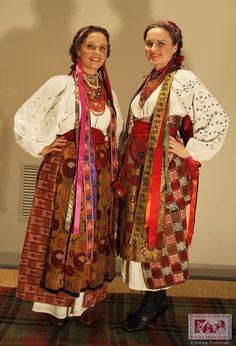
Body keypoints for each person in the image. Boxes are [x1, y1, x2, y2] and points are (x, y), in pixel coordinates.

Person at [116, 20, 229, 332]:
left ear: (176, 46)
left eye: (161, 43)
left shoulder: (184, 79)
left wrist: (188, 149)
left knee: (159, 232)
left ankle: (153, 302)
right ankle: (154, 298)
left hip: (162, 174)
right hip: (138, 170)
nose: (153, 49)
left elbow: (218, 119)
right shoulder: (150, 79)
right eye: (149, 43)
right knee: (139, 231)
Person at [14, 25, 123, 326]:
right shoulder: (61, 84)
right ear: (78, 49)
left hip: (98, 175)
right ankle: (55, 308)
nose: (96, 53)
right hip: (65, 172)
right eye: (90, 46)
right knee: (61, 235)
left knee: (91, 239)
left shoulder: (108, 92)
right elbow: (26, 117)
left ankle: (81, 306)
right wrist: (42, 145)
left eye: (102, 48)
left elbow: (114, 133)